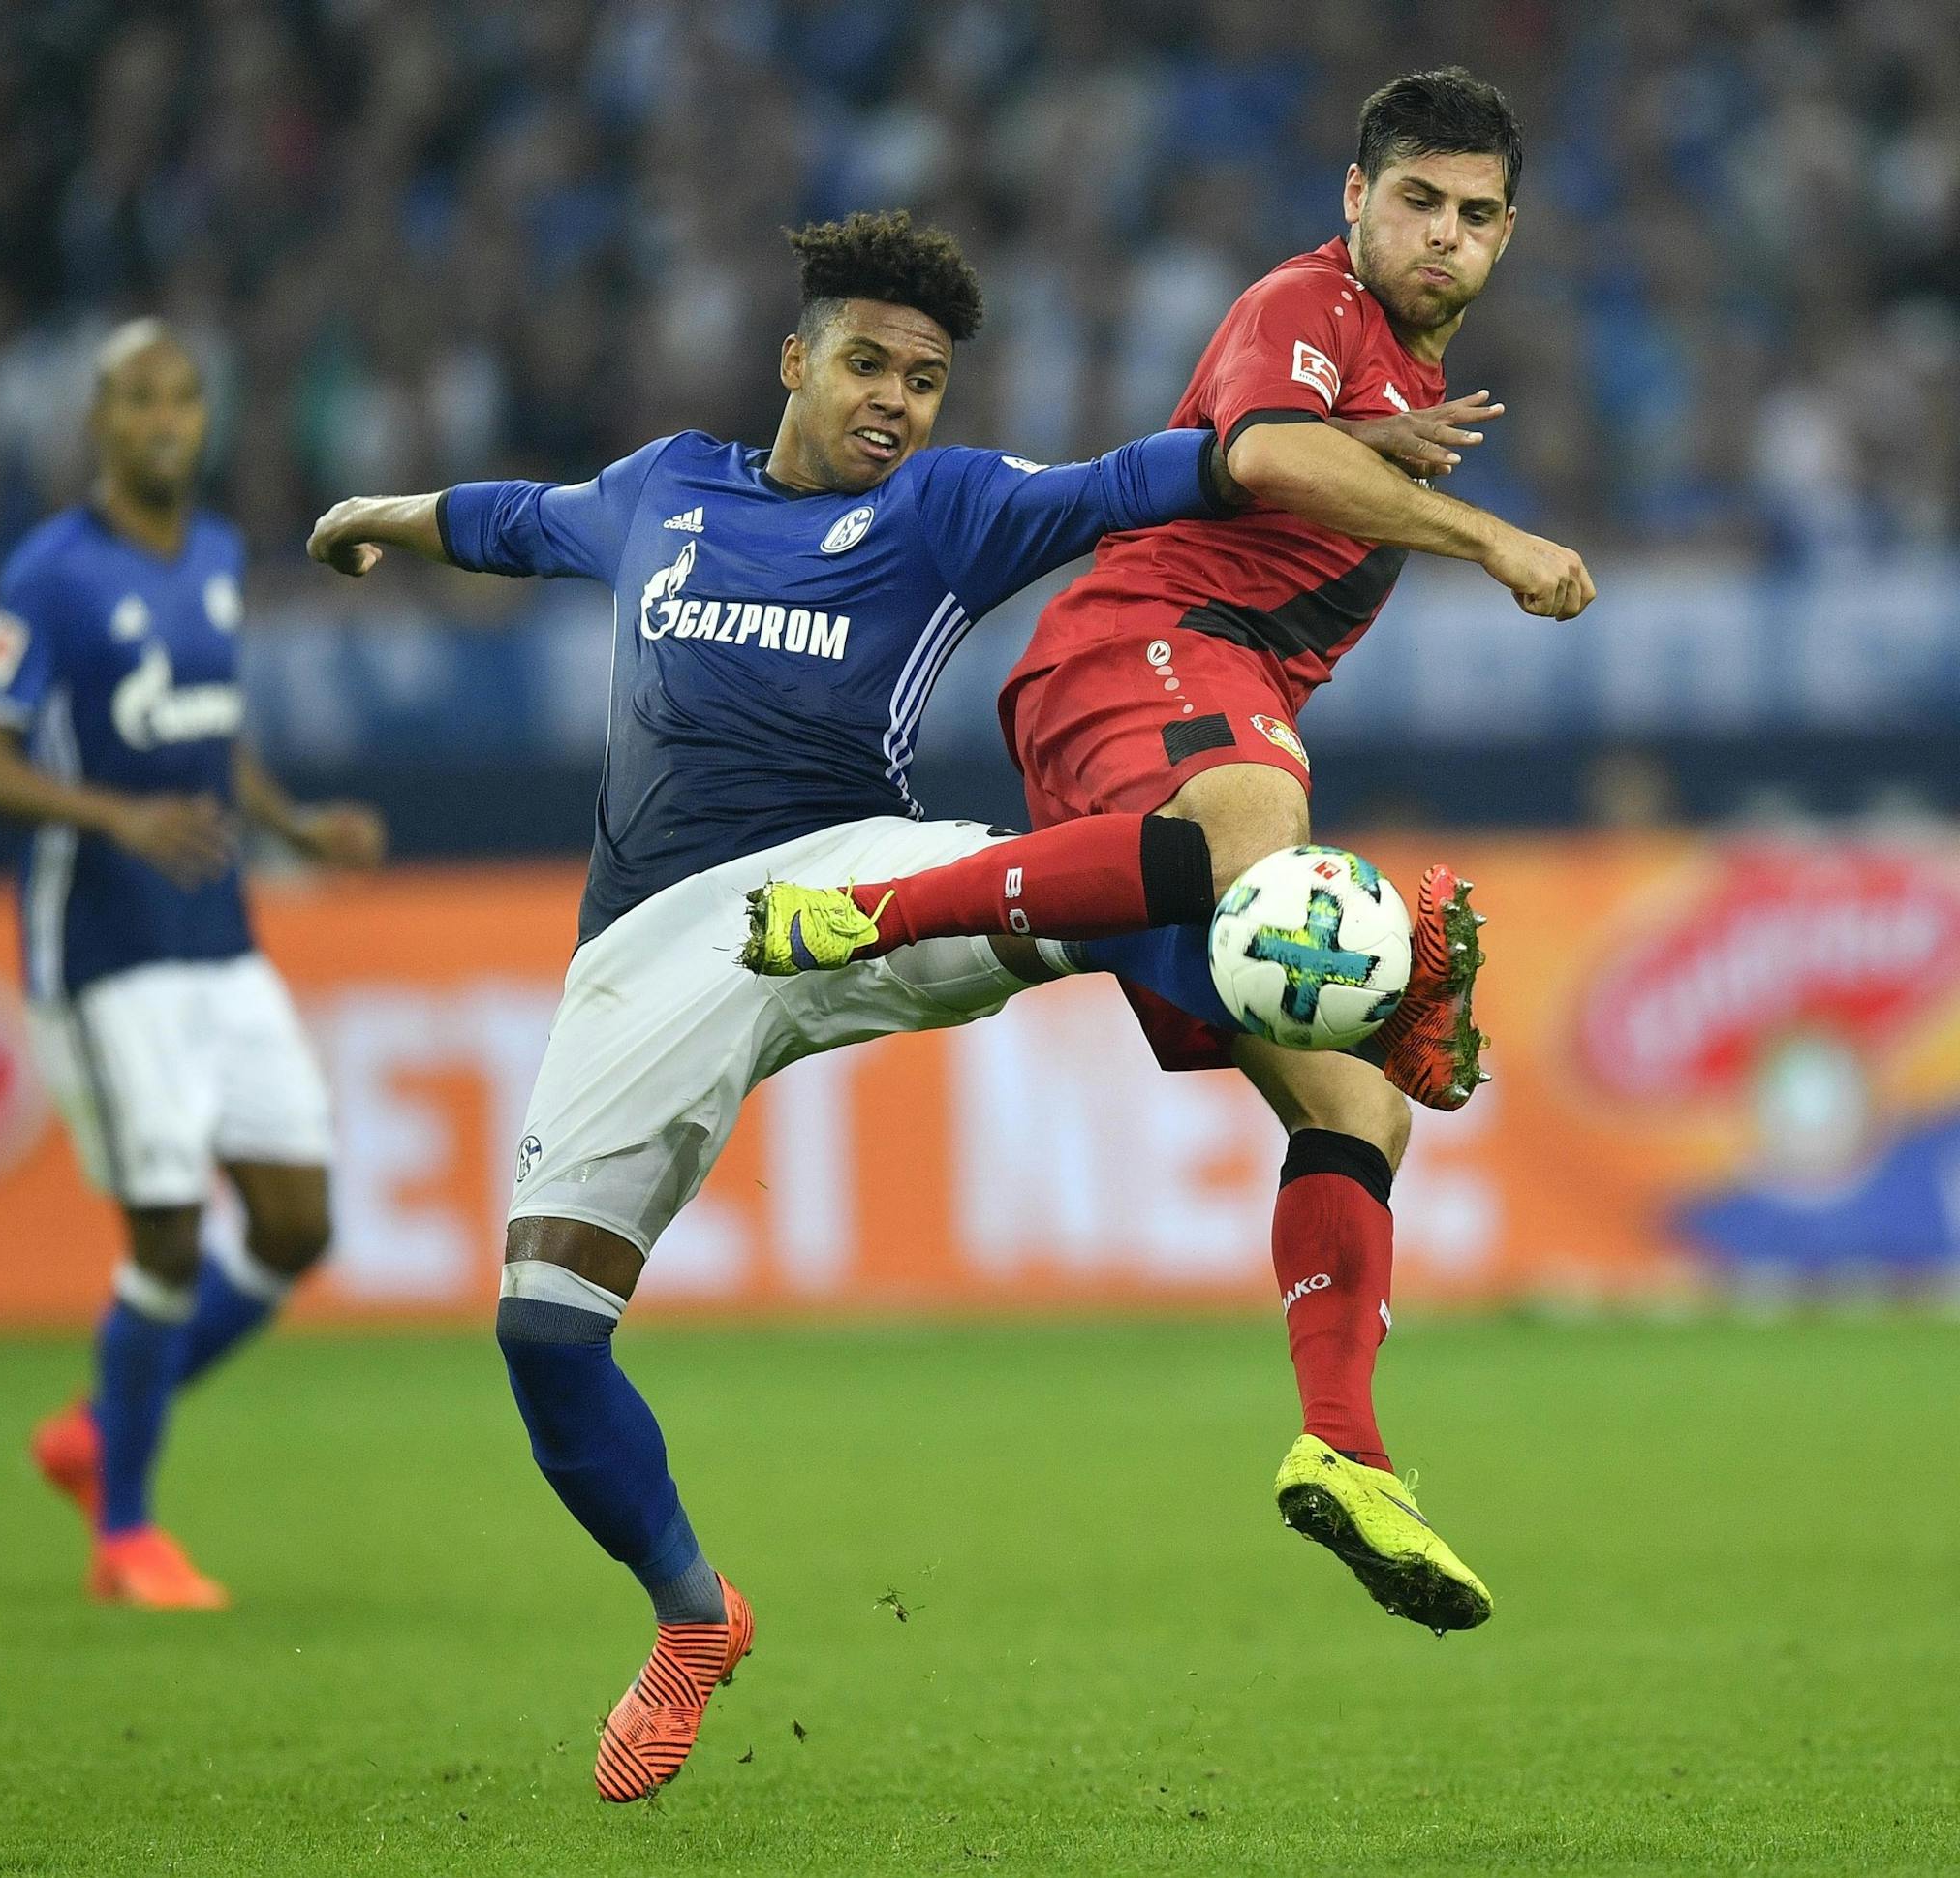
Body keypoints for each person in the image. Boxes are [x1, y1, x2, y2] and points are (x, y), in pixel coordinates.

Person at [305, 210, 1462, 1800]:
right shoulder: (663, 492)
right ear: (794, 360)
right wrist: (384, 511)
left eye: (924, 379)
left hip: (859, 872)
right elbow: (517, 518)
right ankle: (693, 1615)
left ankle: (1349, 996)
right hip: (652, 952)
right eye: (868, 364)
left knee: (1160, 871)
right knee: (543, 1334)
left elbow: (1152, 477)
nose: (895, 402)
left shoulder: (947, 507)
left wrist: (1341, 448)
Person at [749, 70, 1597, 1638]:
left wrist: (1399, 454)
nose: (1445, 236)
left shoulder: (1397, 371)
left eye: (1479, 215)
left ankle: (1346, 1449)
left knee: (1363, 1107)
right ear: (1356, 199)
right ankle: (862, 910)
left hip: (1205, 698)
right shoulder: (1306, 300)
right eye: (1418, 199)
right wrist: (1494, 538)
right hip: (1141, 643)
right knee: (1254, 830)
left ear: (1508, 237)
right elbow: (1266, 455)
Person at [0, 320, 386, 1611]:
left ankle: (96, 1426)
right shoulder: (51, 572)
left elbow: (210, 732)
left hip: (220, 938)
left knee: (299, 1220)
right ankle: (124, 1533)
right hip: (107, 955)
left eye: (185, 396)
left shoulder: (217, 555)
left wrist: (293, 824)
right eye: (138, 399)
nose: (165, 420)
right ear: (98, 423)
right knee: (167, 1240)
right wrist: (113, 816)